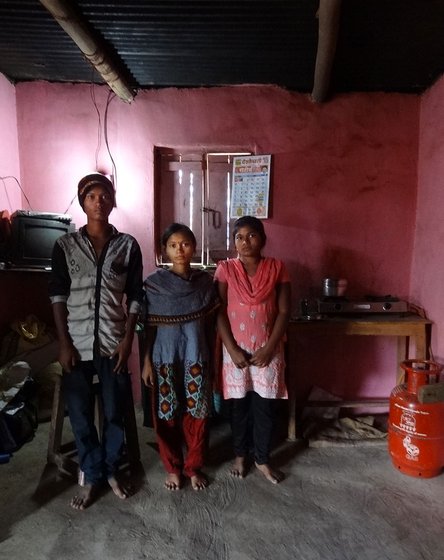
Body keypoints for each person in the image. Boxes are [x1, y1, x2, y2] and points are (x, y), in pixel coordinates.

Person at [48, 172, 143, 510]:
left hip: (113, 343)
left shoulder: (128, 245)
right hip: (76, 343)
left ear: (113, 201)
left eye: (105, 196)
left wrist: (127, 339)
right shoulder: (65, 246)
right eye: (92, 197)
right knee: (80, 413)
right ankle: (90, 476)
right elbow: (58, 296)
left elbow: (135, 297)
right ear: (82, 202)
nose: (99, 202)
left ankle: (112, 471)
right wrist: (64, 343)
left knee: (116, 410)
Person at [141, 223, 219, 491]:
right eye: (173, 245)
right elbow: (149, 328)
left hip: (197, 356)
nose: (180, 250)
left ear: (194, 247)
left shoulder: (205, 284)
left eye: (185, 244)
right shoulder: (154, 285)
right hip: (164, 359)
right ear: (165, 250)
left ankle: (193, 467)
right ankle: (173, 467)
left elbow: (212, 328)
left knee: (198, 414)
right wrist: (147, 361)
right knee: (166, 415)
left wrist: (214, 363)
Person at [214, 216, 291, 484]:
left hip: (268, 351)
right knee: (239, 408)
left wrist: (270, 348)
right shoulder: (225, 269)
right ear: (233, 242)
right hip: (236, 351)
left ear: (263, 239)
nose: (245, 242)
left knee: (265, 407)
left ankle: (262, 459)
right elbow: (219, 311)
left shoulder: (277, 268)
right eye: (239, 237)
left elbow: (284, 311)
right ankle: (240, 455)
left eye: (251, 236)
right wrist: (232, 349)